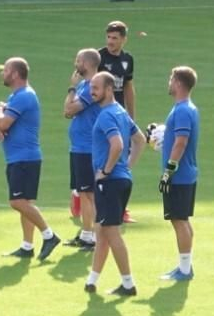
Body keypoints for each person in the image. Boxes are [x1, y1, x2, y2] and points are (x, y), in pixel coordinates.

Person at [0, 56, 61, 260]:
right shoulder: (18, 96)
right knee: (26, 203)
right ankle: (27, 246)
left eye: (5, 70)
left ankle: (49, 235)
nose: (2, 74)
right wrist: (1, 120)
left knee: (17, 202)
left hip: (24, 159)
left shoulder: (23, 96)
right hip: (21, 157)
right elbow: (0, 128)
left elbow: (3, 125)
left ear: (15, 74)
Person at [86, 70, 146, 296]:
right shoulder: (121, 112)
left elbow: (118, 144)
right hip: (122, 180)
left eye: (96, 88)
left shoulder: (106, 116)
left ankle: (128, 283)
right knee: (101, 229)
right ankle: (92, 280)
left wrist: (107, 170)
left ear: (109, 89)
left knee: (111, 232)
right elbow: (139, 140)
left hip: (109, 182)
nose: (92, 92)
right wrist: (127, 167)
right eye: (91, 88)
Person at [154, 65, 199, 283]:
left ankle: (184, 269)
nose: (169, 82)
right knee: (182, 220)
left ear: (179, 83)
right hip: (187, 173)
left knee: (179, 220)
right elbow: (177, 138)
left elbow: (181, 142)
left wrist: (168, 172)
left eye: (171, 79)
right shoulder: (187, 108)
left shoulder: (181, 110)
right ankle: (184, 266)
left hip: (179, 176)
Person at [63, 48, 103, 251]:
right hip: (78, 147)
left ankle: (93, 236)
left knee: (89, 194)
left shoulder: (92, 87)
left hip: (89, 148)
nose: (75, 63)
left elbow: (71, 109)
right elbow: (66, 112)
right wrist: (73, 89)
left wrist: (71, 89)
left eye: (78, 60)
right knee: (83, 192)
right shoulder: (82, 85)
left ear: (86, 64)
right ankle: (87, 234)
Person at [98, 19, 137, 222]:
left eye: (115, 38)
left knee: (121, 157)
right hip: (102, 116)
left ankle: (121, 207)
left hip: (119, 115)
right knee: (99, 157)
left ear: (124, 39)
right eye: (108, 37)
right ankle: (82, 197)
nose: (110, 41)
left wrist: (131, 115)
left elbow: (129, 87)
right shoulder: (99, 57)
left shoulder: (127, 60)